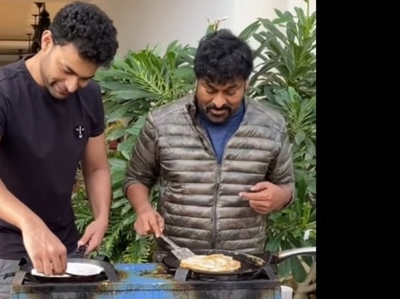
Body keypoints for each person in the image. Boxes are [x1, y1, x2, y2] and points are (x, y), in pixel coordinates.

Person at [0, 1, 118, 299]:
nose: (71, 86)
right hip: (5, 247)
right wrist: (30, 223)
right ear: (47, 41)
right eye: (67, 71)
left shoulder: (89, 97)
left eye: (84, 78)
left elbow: (96, 167)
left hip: (64, 240)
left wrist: (102, 216)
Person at [123, 29, 295, 263]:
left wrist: (280, 196)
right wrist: (143, 209)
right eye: (210, 90)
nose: (218, 101)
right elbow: (136, 178)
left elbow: (286, 185)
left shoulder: (272, 126)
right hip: (177, 262)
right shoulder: (162, 123)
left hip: (243, 263)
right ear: (198, 80)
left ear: (246, 83)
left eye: (230, 92)